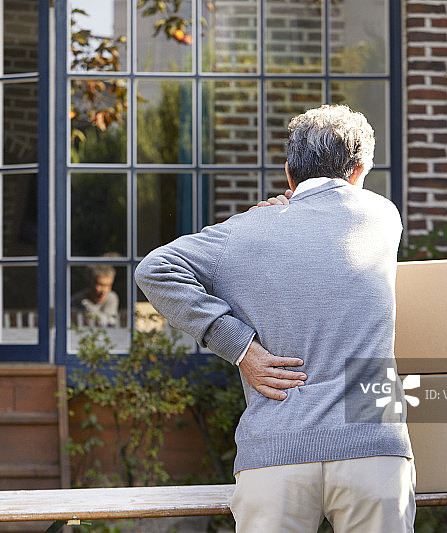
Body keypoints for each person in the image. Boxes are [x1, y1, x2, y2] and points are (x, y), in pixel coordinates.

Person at [135, 104, 415, 532]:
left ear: (288, 173)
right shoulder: (382, 216)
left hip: (275, 446)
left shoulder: (242, 233)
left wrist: (238, 346)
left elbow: (155, 267)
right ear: (360, 171)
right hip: (372, 440)